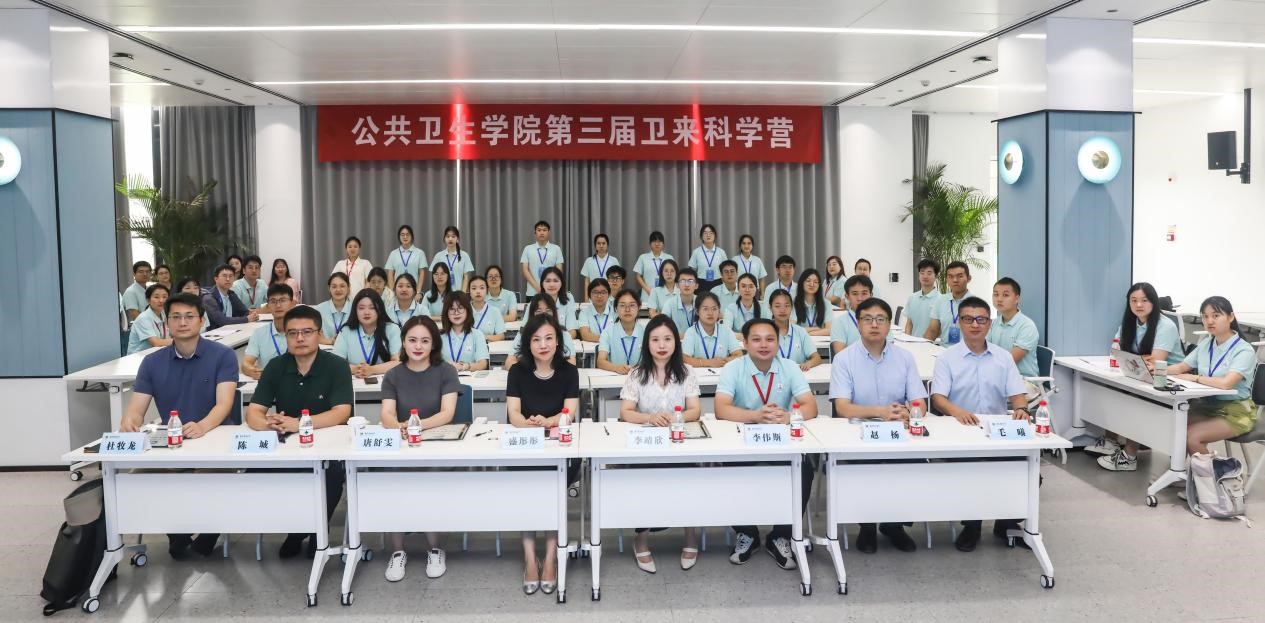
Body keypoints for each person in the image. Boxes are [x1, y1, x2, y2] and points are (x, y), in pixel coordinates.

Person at [120, 292, 237, 559]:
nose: (183, 322)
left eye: (189, 316)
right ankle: (176, 532)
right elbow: (136, 409)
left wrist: (203, 426)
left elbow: (224, 404)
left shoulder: (223, 355)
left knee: (213, 481)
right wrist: (130, 422)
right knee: (134, 481)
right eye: (176, 317)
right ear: (167, 323)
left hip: (214, 440)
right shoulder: (152, 362)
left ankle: (210, 532)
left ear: (202, 320)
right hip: (172, 444)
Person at [246, 304, 352, 558]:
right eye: (293, 333)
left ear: (319, 334)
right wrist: (268, 424)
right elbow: (254, 412)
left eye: (307, 332)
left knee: (330, 476)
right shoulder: (275, 366)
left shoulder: (336, 365)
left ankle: (315, 532)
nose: (300, 338)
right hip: (288, 446)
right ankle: (297, 528)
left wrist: (299, 423)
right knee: (255, 474)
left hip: (328, 444)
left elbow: (341, 413)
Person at [929, 296, 1030, 553]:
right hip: (960, 432)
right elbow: (938, 398)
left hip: (997, 433)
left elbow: (1017, 395)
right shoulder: (946, 358)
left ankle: (1004, 523)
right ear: (959, 323)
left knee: (1027, 472)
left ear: (989, 323)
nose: (975, 324)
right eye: (968, 319)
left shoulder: (1003, 358)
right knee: (972, 473)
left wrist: (1021, 409)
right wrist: (958, 412)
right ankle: (972, 526)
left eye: (981, 319)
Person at [715, 318, 818, 569]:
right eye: (756, 339)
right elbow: (721, 408)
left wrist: (788, 416)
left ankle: (780, 536)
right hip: (742, 441)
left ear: (778, 342)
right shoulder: (733, 368)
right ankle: (747, 534)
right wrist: (755, 416)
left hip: (780, 440)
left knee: (803, 470)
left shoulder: (789, 367)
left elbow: (811, 406)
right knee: (726, 470)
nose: (764, 345)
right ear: (745, 343)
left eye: (770, 339)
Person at [829, 297, 926, 554]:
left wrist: (909, 411)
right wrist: (881, 412)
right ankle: (867, 526)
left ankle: (894, 525)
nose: (874, 324)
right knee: (864, 467)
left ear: (889, 324)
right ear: (858, 324)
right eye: (868, 319)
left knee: (915, 464)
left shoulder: (905, 358)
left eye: (880, 319)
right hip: (858, 434)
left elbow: (920, 401)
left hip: (898, 432)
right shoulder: (844, 359)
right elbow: (842, 407)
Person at [618, 315, 703, 572]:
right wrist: (650, 418)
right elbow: (626, 412)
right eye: (655, 340)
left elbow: (695, 410)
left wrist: (676, 418)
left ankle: (690, 535)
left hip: (680, 442)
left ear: (676, 342)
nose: (662, 345)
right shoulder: (637, 374)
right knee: (647, 482)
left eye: (667, 339)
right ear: (647, 344)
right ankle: (641, 539)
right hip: (649, 443)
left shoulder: (687, 372)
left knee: (688, 479)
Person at [506, 314, 580, 595]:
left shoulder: (569, 371)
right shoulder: (517, 371)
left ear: (558, 341)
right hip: (526, 443)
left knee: (553, 493)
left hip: (559, 446)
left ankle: (550, 556)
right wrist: (529, 425)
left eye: (549, 338)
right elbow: (513, 413)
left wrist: (548, 422)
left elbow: (569, 412)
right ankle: (529, 557)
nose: (543, 344)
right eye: (536, 339)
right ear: (528, 343)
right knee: (527, 495)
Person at [380, 316, 458, 582]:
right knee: (392, 483)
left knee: (429, 483)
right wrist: (398, 426)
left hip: (435, 445)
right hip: (403, 445)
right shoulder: (393, 374)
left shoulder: (446, 371)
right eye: (412, 340)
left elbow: (447, 413)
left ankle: (435, 548)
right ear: (403, 342)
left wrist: (416, 425)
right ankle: (397, 551)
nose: (418, 346)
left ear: (433, 344)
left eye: (425, 341)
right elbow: (386, 414)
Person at [1089, 283, 1186, 470]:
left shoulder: (1165, 325)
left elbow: (1156, 362)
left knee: (1137, 398)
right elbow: (1117, 350)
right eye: (1134, 300)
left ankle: (1129, 456)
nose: (1138, 305)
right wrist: (1139, 359)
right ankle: (1111, 442)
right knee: (1111, 388)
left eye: (1144, 300)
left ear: (1153, 302)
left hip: (1171, 379)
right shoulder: (1130, 322)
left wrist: (1137, 359)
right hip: (1140, 373)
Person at [1165, 297, 1258, 457]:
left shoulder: (1244, 350)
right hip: (1207, 406)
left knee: (1192, 437)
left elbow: (1226, 384)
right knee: (1174, 426)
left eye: (1215, 316)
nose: (1209, 321)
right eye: (1205, 316)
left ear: (1230, 317)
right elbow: (1181, 367)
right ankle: (1182, 471)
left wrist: (1195, 378)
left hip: (1237, 411)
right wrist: (1157, 370)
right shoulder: (1206, 344)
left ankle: (1219, 472)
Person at [333, 289, 402, 379]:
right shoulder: (346, 331)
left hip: (385, 383)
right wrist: (355, 369)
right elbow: (335, 364)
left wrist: (372, 370)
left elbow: (397, 362)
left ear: (379, 309)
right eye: (361, 308)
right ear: (355, 310)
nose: (366, 312)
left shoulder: (392, 329)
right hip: (355, 383)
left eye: (372, 308)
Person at [503, 294, 578, 368]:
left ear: (554, 313)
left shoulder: (564, 334)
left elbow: (571, 362)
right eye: (538, 311)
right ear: (532, 314)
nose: (544, 314)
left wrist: (549, 373)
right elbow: (509, 362)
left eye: (548, 310)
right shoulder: (523, 334)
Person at [987, 278, 1040, 379]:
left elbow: (1009, 361)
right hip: (999, 377)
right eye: (996, 294)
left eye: (1005, 295)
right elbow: (983, 350)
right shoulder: (993, 323)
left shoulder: (1027, 326)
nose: (999, 299)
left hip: (1023, 380)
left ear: (1017, 299)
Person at [242, 284, 294, 379]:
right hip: (269, 382)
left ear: (292, 303)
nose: (278, 305)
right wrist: (253, 371)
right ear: (268, 305)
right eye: (273, 301)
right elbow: (246, 363)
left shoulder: (302, 332)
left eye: (282, 300)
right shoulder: (259, 333)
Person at [682, 292, 744, 367]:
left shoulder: (726, 331)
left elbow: (739, 354)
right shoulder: (691, 332)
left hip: (722, 372)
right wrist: (709, 363)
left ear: (719, 311)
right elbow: (685, 359)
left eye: (714, 309)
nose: (710, 313)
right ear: (697, 311)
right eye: (705, 309)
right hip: (698, 374)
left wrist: (723, 361)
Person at [924, 261, 977, 345]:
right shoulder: (941, 301)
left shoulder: (977, 304)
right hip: (943, 350)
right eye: (950, 277)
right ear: (947, 280)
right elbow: (932, 330)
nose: (955, 280)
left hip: (967, 350)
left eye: (959, 276)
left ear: (969, 278)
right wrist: (923, 347)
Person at [597, 289, 647, 374]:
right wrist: (616, 368)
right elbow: (600, 361)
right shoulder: (608, 332)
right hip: (615, 378)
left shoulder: (647, 331)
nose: (627, 309)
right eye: (622, 305)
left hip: (641, 378)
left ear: (639, 307)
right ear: (616, 309)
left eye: (632, 305)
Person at [769, 290, 820, 370]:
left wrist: (808, 364)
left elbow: (816, 358)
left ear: (792, 308)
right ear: (770, 308)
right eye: (777, 306)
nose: (782, 310)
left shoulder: (800, 332)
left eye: (787, 306)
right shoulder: (764, 332)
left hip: (797, 374)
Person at [440, 292, 490, 372]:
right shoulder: (439, 337)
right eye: (452, 309)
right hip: (445, 378)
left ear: (467, 310)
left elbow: (483, 364)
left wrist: (467, 366)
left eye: (460, 308)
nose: (456, 313)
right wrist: (445, 365)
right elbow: (432, 363)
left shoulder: (477, 335)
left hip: (471, 377)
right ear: (446, 313)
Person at [203, 263, 258, 328]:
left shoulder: (231, 294)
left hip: (230, 330)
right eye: (224, 276)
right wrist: (246, 319)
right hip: (213, 332)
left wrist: (252, 314)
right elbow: (222, 320)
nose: (228, 279)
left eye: (231, 276)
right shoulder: (209, 298)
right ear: (216, 279)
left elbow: (244, 312)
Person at [830, 276, 876, 354]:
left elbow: (889, 351)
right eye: (855, 294)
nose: (860, 298)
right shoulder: (839, 322)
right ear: (847, 296)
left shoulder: (881, 320)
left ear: (871, 295)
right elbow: (840, 356)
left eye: (864, 293)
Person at [520, 220, 564, 298]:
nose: (542, 232)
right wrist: (536, 286)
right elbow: (525, 270)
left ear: (549, 232)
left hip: (551, 291)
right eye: (539, 230)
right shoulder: (528, 248)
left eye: (544, 230)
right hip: (532, 291)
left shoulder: (556, 248)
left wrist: (549, 286)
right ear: (535, 232)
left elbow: (559, 270)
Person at [125, 284, 172, 354]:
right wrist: (180, 341)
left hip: (156, 354)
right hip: (138, 357)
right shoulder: (143, 318)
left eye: (164, 297)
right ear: (148, 300)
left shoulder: (164, 314)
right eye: (156, 297)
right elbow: (156, 343)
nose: (161, 300)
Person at [903, 259, 942, 338]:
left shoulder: (941, 300)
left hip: (932, 343)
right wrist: (907, 340)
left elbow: (940, 328)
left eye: (929, 273)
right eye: (922, 273)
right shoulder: (912, 298)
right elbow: (909, 324)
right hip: (913, 343)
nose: (925, 276)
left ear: (936, 276)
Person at [384, 224, 427, 295]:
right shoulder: (393, 253)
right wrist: (393, 291)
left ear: (412, 236)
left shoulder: (420, 253)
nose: (405, 237)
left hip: (413, 290)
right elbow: (390, 273)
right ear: (399, 237)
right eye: (402, 235)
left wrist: (418, 291)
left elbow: (422, 273)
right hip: (398, 291)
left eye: (407, 234)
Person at [432, 225, 474, 291]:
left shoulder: (464, 255)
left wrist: (462, 293)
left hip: (458, 293)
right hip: (443, 293)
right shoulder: (438, 256)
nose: (450, 239)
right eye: (448, 236)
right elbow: (434, 275)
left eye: (453, 236)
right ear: (444, 239)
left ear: (457, 239)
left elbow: (466, 277)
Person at [539, 266, 579, 337]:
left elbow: (572, 332)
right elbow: (525, 329)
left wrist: (555, 340)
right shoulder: (536, 300)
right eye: (548, 281)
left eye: (555, 281)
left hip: (561, 341)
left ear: (561, 283)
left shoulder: (568, 299)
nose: (552, 285)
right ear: (542, 283)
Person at [314, 272, 352, 345]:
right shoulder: (318, 309)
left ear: (348, 288)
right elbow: (313, 336)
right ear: (329, 289)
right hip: (325, 350)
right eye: (334, 287)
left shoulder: (355, 309)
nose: (338, 290)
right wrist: (330, 341)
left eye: (342, 286)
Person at [580, 233, 620, 301]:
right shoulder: (589, 261)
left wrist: (617, 297)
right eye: (598, 243)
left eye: (603, 243)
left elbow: (618, 280)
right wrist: (586, 298)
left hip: (610, 297)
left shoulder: (614, 261)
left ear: (607, 245)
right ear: (595, 246)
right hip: (593, 296)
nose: (601, 246)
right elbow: (587, 281)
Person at [634, 230, 675, 296]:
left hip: (665, 293)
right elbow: (638, 276)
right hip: (647, 294)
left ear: (663, 244)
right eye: (654, 241)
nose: (657, 244)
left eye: (659, 241)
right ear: (650, 243)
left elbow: (674, 275)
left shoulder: (669, 257)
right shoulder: (643, 257)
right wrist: (647, 289)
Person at [688, 224, 728, 291]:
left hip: (718, 283)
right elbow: (692, 270)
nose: (708, 235)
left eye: (711, 233)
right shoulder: (696, 252)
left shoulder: (721, 252)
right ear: (701, 236)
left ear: (715, 236)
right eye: (705, 233)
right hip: (701, 283)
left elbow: (726, 269)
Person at [468, 275, 507, 341]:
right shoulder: (464, 311)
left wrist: (483, 337)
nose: (478, 291)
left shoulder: (495, 311)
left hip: (488, 345)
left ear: (487, 291)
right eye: (474, 288)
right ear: (469, 291)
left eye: (482, 288)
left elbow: (501, 336)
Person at [794, 269, 832, 336]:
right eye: (808, 281)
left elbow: (830, 330)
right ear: (801, 283)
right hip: (800, 340)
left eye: (816, 282)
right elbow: (792, 329)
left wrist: (810, 333)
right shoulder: (793, 303)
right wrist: (817, 328)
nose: (812, 284)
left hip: (821, 341)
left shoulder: (826, 303)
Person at [578, 278, 613, 343]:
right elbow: (585, 335)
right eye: (595, 292)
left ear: (609, 294)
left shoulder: (616, 312)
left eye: (603, 292)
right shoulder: (584, 313)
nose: (599, 296)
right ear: (589, 295)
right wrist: (607, 338)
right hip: (591, 348)